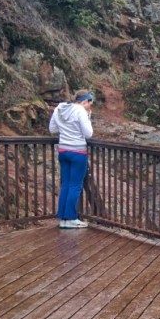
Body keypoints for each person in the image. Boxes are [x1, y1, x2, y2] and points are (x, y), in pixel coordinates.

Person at [49, 89, 94, 229]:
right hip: (77, 152)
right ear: (85, 101)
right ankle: (71, 218)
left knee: (66, 184)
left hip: (63, 151)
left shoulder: (60, 108)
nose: (90, 107)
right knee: (75, 185)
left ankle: (63, 219)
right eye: (90, 104)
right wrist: (88, 117)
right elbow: (88, 134)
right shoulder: (81, 111)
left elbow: (52, 129)